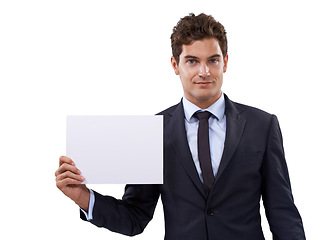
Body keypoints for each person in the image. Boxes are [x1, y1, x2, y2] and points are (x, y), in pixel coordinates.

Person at [55, 13, 306, 239]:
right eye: (193, 61)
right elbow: (135, 218)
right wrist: (83, 197)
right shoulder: (152, 132)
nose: (204, 71)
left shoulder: (262, 126)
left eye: (213, 60)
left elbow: (283, 213)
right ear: (176, 65)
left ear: (225, 63)